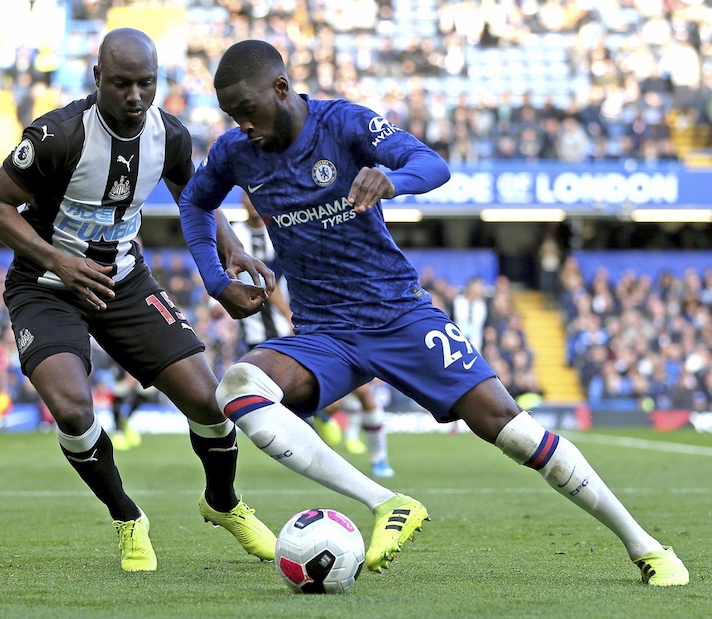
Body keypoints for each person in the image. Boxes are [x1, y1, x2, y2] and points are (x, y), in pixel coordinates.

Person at [178, 39, 689, 585]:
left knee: (513, 431)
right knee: (238, 386)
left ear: (280, 89)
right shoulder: (236, 152)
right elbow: (195, 202)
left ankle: (647, 547)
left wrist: (392, 179)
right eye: (231, 115)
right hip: (324, 332)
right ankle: (385, 502)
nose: (241, 124)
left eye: (247, 111)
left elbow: (432, 162)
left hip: (399, 315)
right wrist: (216, 279)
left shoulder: (344, 123)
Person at [0, 28, 276, 572]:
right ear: (97, 80)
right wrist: (56, 260)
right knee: (71, 408)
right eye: (121, 84)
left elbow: (199, 199)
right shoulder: (56, 136)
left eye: (146, 84)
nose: (135, 96)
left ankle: (224, 502)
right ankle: (126, 516)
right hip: (47, 287)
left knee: (209, 402)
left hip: (125, 282)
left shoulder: (171, 137)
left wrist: (230, 252)